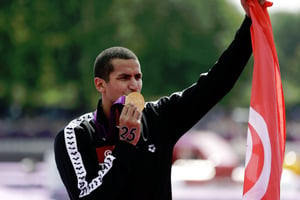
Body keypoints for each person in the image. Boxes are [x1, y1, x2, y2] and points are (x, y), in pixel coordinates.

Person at [54, 0, 265, 199]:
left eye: (138, 77)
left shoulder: (159, 118)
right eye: (124, 78)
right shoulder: (76, 135)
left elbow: (215, 84)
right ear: (100, 84)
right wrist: (126, 144)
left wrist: (250, 21)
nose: (134, 85)